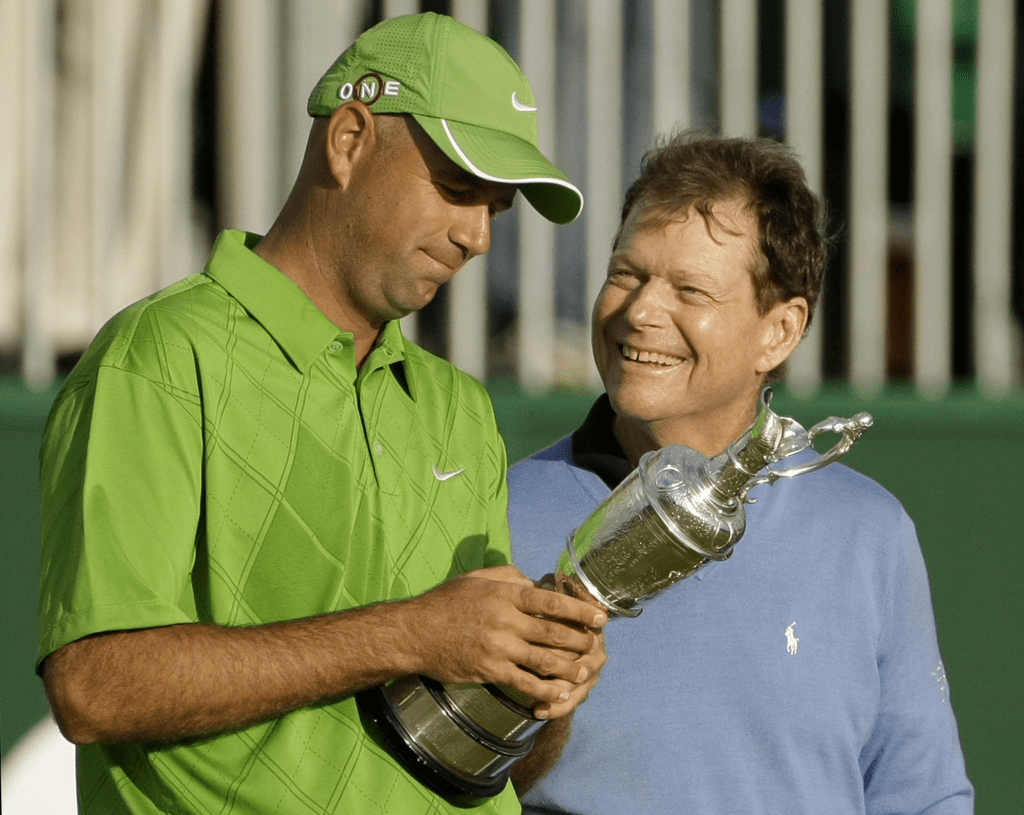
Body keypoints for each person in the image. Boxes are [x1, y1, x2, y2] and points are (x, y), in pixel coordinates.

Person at [36, 13, 607, 815]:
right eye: (457, 188)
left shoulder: (462, 407)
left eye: (497, 207)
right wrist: (408, 633)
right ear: (347, 140)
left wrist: (543, 688)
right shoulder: (158, 355)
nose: (478, 235)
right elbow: (94, 685)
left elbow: (486, 769)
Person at [507, 131, 974, 814]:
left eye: (690, 290)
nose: (640, 312)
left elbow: (924, 795)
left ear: (779, 331)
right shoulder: (496, 511)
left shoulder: (869, 532)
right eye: (626, 274)